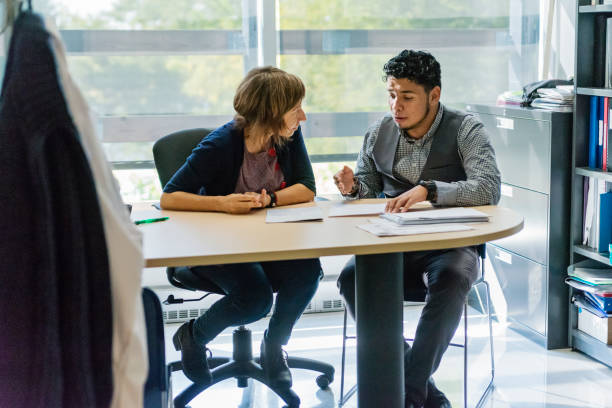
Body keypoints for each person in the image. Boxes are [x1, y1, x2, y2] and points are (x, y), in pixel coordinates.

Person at [334, 50, 501, 408]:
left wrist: (430, 189)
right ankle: (424, 390)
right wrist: (352, 188)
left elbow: (489, 187)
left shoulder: (465, 128)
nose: (397, 105)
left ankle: (407, 395)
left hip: (449, 245)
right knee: (350, 280)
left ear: (434, 95)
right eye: (391, 95)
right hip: (392, 242)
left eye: (407, 97)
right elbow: (367, 185)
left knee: (452, 278)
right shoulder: (379, 130)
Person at [160, 66, 322, 389]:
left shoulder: (287, 136)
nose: (302, 117)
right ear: (273, 113)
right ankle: (194, 334)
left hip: (265, 240)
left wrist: (269, 200)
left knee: (307, 273)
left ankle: (274, 347)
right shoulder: (220, 145)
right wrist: (222, 203)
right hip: (217, 244)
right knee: (255, 298)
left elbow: (306, 188)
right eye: (295, 109)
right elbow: (169, 197)